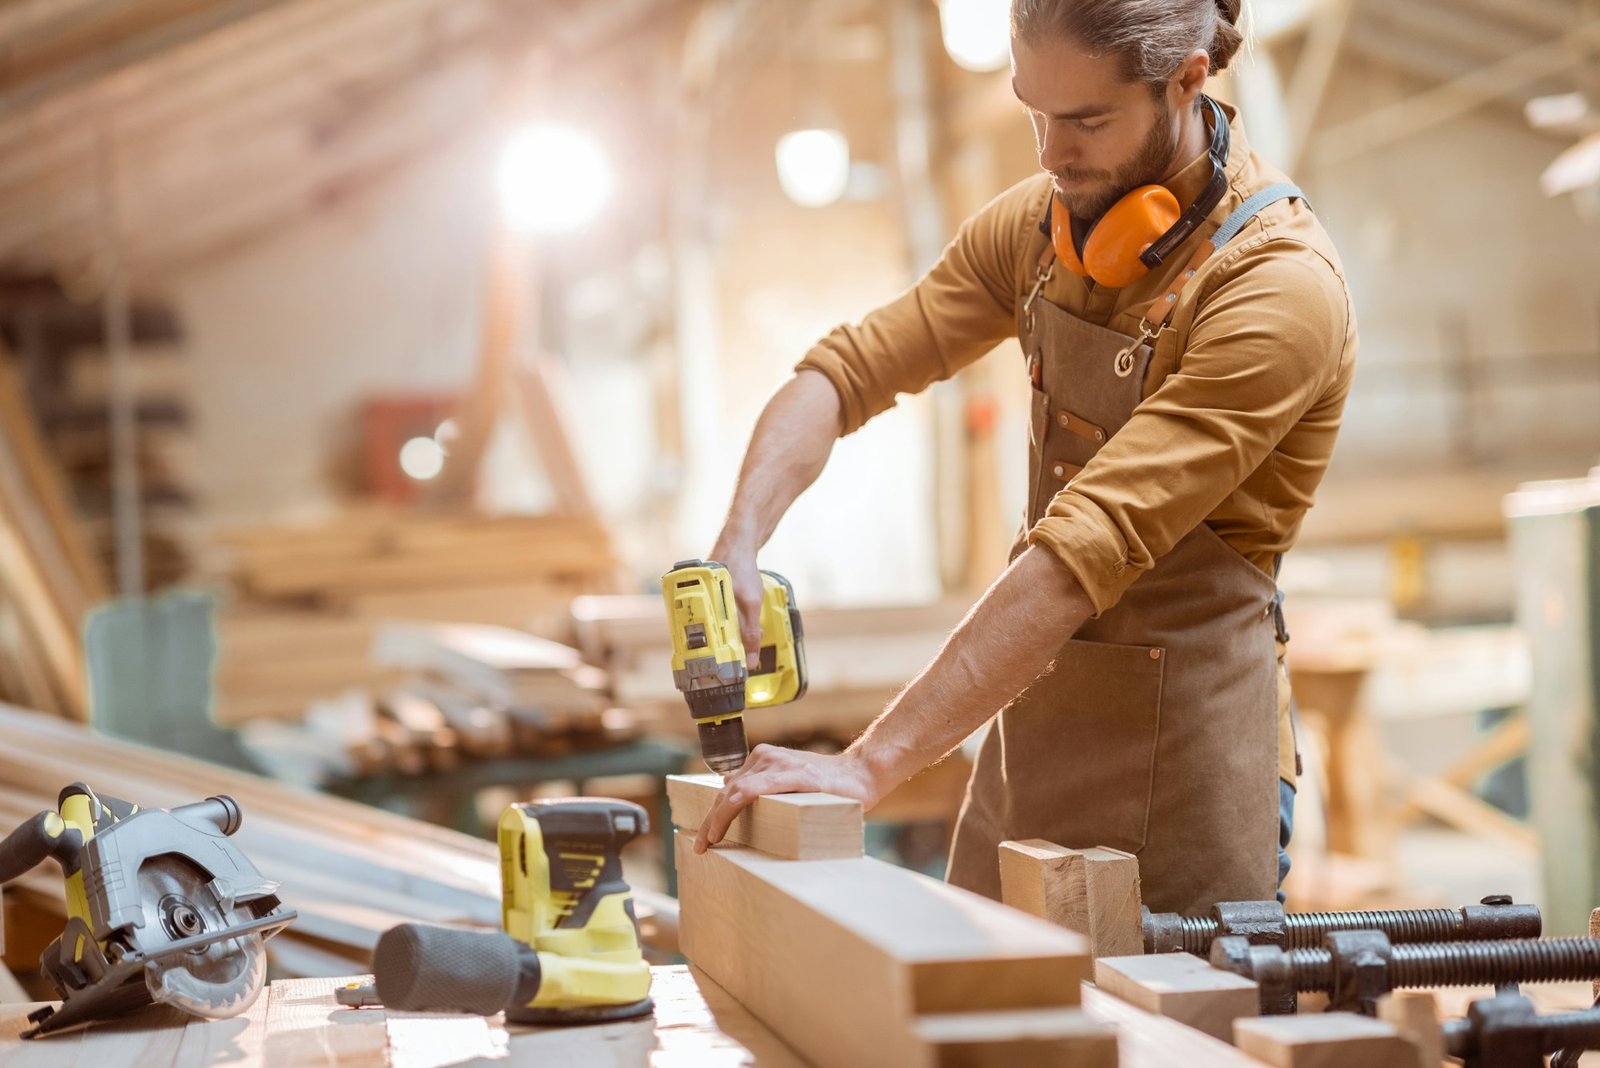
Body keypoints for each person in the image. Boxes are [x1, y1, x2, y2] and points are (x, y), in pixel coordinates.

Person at [692, 0, 1357, 913]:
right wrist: (738, 539)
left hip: (1192, 764)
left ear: (1189, 79)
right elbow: (847, 371)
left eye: (1086, 121)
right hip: (1029, 735)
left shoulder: (1275, 288)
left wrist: (868, 764)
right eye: (1033, 111)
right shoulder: (1045, 231)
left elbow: (1082, 548)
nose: (1050, 153)